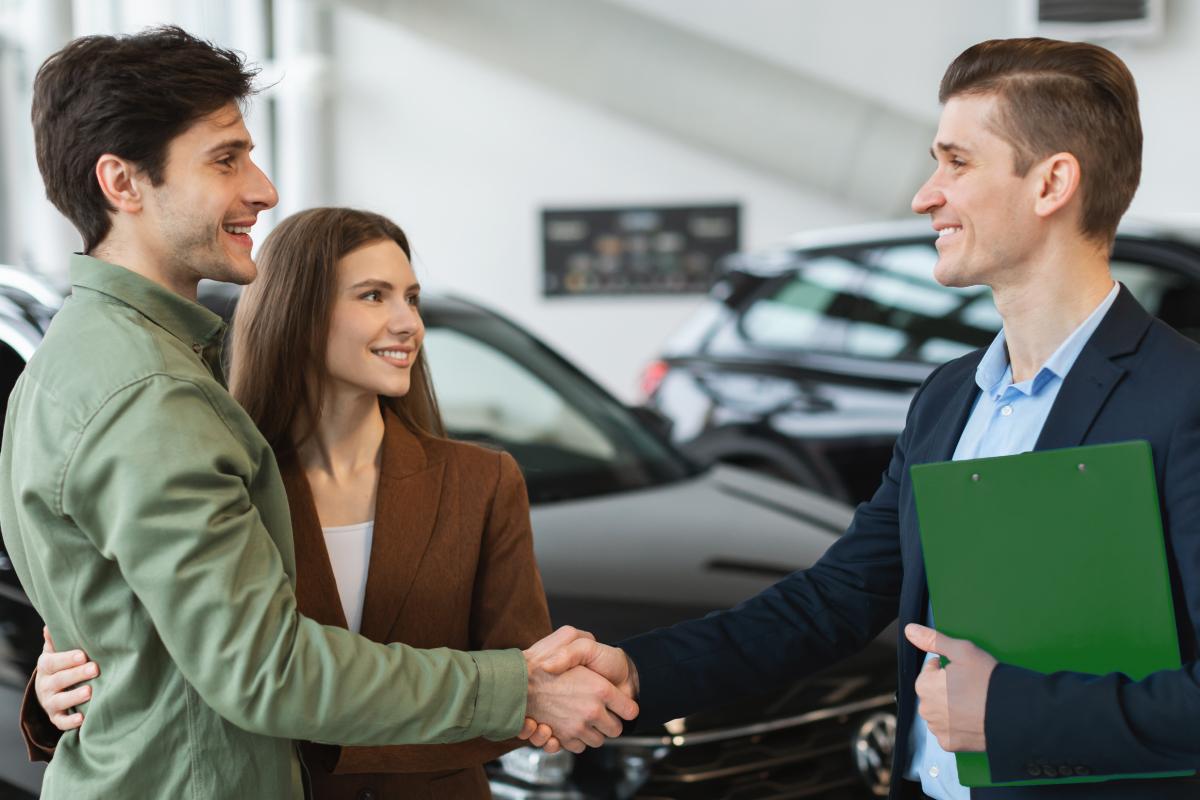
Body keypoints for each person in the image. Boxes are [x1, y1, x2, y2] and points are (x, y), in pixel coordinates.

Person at [530, 37, 1200, 799]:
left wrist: (1012, 713)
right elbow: (835, 600)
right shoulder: (950, 399)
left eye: (957, 162)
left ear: (1051, 183)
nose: (925, 195)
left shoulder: (1181, 402)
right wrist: (639, 668)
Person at [0, 27, 631, 799]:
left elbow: (130, 615)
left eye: (411, 298)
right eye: (225, 158)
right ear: (123, 183)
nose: (263, 188)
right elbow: (264, 671)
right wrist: (522, 688)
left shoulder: (90, 363)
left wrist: (94, 656)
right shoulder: (152, 394)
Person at [29, 206, 558, 798]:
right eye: (374, 296)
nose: (408, 322)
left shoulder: (482, 481)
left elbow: (527, 694)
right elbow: (168, 654)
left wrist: (330, 737)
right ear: (299, 314)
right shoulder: (213, 478)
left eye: (411, 297)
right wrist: (61, 690)